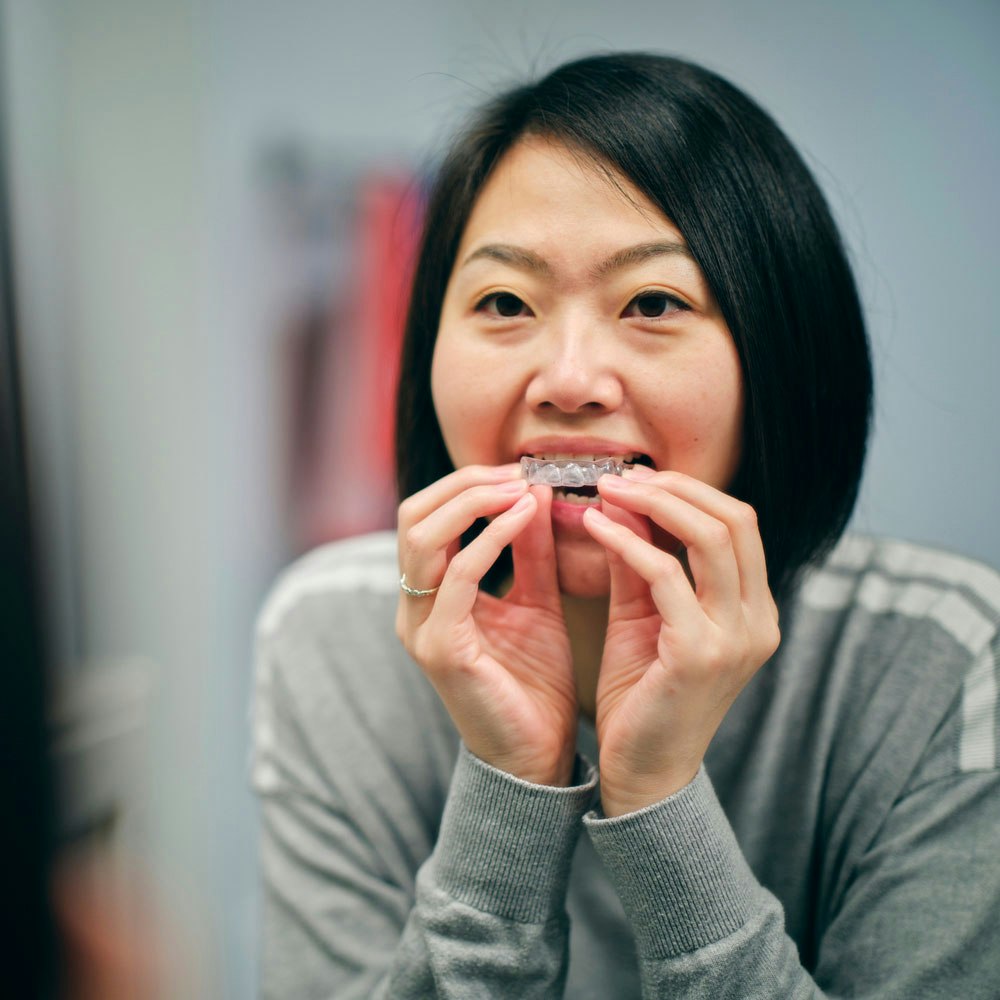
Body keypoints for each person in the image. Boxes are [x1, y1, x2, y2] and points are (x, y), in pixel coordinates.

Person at [252, 52, 1000, 998]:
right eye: (504, 303)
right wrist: (510, 784)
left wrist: (660, 796)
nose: (568, 381)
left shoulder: (945, 658)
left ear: (780, 352)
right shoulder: (328, 637)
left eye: (653, 303)